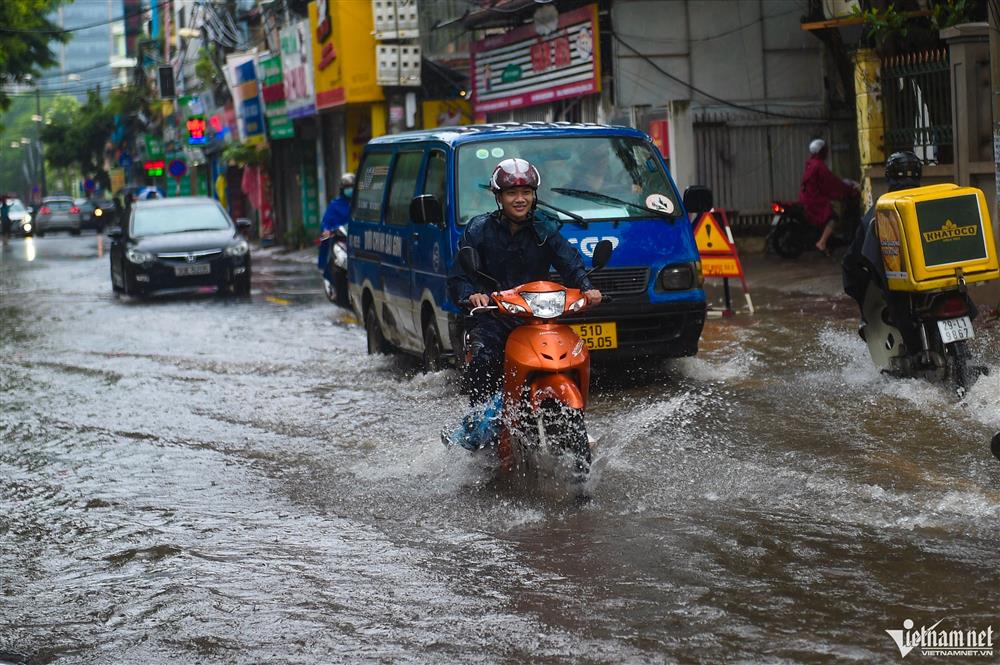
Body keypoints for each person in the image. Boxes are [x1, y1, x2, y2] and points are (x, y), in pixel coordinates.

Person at [447, 158, 602, 405]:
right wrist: (471, 295)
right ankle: (480, 416)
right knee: (483, 359)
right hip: (493, 317)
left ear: (533, 195)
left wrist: (587, 288)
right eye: (512, 193)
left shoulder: (545, 229)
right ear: (499, 197)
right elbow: (458, 276)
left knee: (574, 354)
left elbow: (569, 262)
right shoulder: (479, 229)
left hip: (537, 318)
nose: (520, 199)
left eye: (526, 192)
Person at [842, 150, 923, 349]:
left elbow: (854, 257)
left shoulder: (881, 208)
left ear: (889, 176)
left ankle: (873, 322)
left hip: (900, 285)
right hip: (944, 277)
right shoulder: (934, 199)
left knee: (853, 270)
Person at [798, 138, 859, 254]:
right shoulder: (819, 166)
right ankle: (822, 242)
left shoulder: (810, 164)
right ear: (822, 151)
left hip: (808, 198)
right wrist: (847, 189)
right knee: (833, 217)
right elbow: (831, 183)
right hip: (815, 200)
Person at [318, 172, 354, 272]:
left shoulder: (360, 203)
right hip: (340, 240)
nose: (350, 189)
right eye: (347, 187)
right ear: (342, 189)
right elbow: (326, 223)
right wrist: (328, 230)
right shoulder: (335, 205)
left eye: (352, 187)